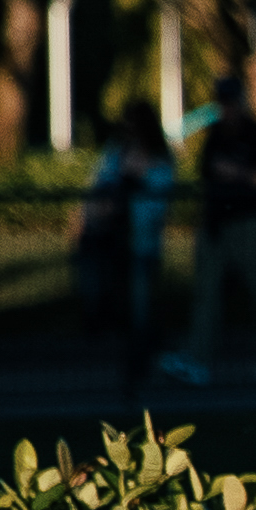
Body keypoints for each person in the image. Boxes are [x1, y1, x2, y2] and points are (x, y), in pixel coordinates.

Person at [170, 74, 256, 384]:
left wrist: (241, 174)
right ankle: (198, 359)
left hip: (249, 223)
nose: (227, 109)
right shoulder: (215, 137)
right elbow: (206, 178)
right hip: (216, 225)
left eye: (231, 102)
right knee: (207, 294)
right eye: (222, 102)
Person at [72, 106, 170, 352]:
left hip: (139, 239)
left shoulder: (159, 158)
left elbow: (155, 204)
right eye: (126, 127)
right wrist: (89, 214)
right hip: (108, 236)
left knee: (140, 298)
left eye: (135, 127)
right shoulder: (116, 152)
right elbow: (97, 184)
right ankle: (113, 345)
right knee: (104, 290)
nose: (130, 133)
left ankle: (140, 349)